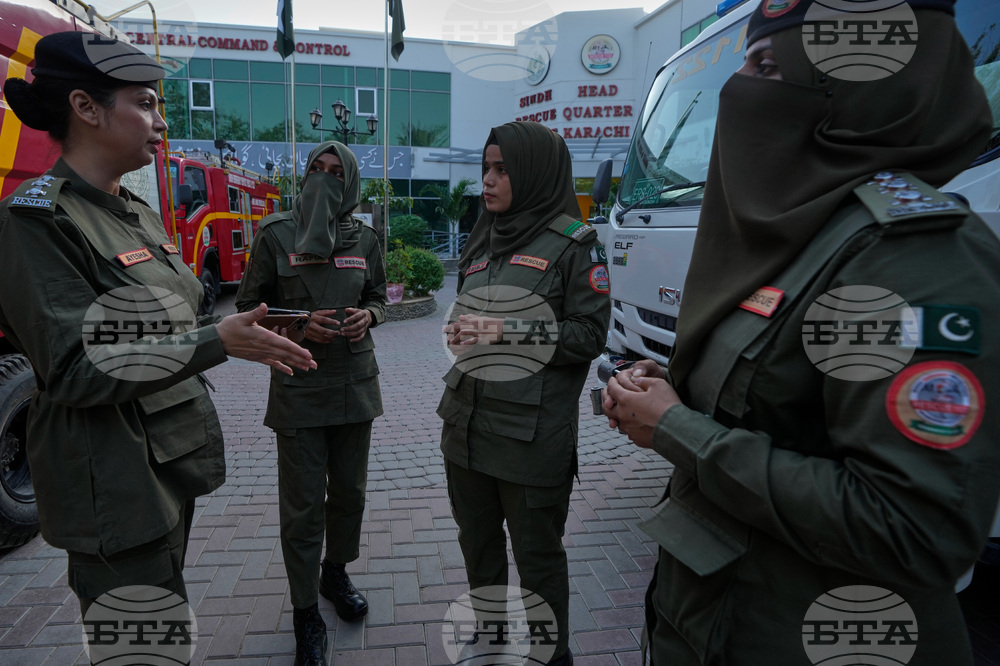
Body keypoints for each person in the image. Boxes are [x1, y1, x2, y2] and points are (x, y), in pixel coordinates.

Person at [603, 2, 1000, 664]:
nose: (741, 92)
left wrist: (676, 430)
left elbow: (910, 528)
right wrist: (670, 392)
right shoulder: (800, 231)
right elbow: (770, 392)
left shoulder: (911, 261)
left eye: (766, 65)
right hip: (710, 619)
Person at [0, 33, 316, 617]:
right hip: (111, 479)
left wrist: (237, 330)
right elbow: (72, 369)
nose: (160, 121)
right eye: (144, 102)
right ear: (86, 108)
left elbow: (173, 315)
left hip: (162, 463)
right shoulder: (37, 222)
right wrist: (217, 340)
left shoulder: (134, 212)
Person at [438, 121, 611, 666]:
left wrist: (501, 331)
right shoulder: (486, 237)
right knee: (478, 545)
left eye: (502, 169)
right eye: (485, 168)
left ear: (534, 172)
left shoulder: (572, 245)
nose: (487, 181)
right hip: (465, 425)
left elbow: (589, 336)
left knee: (537, 558)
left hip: (531, 438)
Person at [235, 140, 386, 666]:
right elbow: (248, 310)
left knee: (350, 496)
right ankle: (305, 613)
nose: (324, 179)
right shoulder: (276, 233)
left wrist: (372, 316)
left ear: (349, 182)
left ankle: (335, 573)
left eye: (335, 172)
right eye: (315, 170)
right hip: (299, 385)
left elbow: (378, 295)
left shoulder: (365, 236)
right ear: (304, 176)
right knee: (302, 510)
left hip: (355, 385)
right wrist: (299, 324)